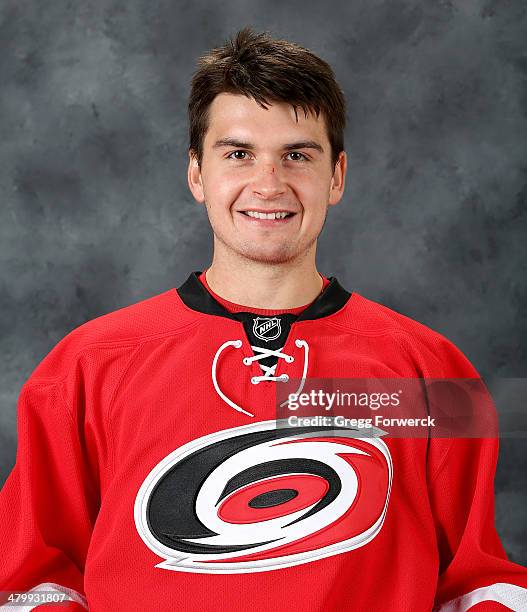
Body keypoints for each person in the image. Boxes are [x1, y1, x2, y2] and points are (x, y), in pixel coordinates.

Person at [0, 26, 526, 612]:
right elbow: (34, 580)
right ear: (197, 174)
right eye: (239, 153)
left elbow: (479, 581)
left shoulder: (434, 373)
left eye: (298, 155)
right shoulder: (84, 367)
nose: (268, 183)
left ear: (337, 176)